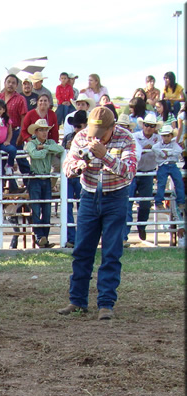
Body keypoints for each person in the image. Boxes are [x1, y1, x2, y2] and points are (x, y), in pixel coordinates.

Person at [58, 107, 137, 320]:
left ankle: (106, 303)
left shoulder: (126, 138)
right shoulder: (82, 137)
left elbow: (130, 171)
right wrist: (77, 167)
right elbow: (67, 166)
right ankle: (77, 300)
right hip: (90, 196)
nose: (96, 137)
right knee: (82, 250)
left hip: (116, 197)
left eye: (101, 133)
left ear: (113, 127)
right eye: (94, 132)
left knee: (111, 252)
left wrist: (106, 157)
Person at [25, 119, 64, 248]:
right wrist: (47, 150)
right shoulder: (31, 143)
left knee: (46, 210)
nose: (44, 132)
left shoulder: (50, 143)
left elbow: (60, 149)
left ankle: (44, 238)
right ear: (36, 132)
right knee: (36, 209)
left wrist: (45, 147)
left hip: (46, 178)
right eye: (41, 130)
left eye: (46, 130)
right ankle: (40, 237)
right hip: (35, 178)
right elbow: (34, 154)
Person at [125, 114, 163, 244]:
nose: (148, 128)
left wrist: (152, 148)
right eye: (147, 125)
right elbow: (136, 151)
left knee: (145, 204)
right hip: (135, 172)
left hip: (148, 173)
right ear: (143, 125)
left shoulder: (159, 139)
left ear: (155, 128)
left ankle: (141, 226)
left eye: (151, 126)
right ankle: (125, 234)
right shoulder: (135, 137)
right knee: (128, 202)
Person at [61, 110, 87, 248]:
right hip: (70, 174)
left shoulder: (89, 139)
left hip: (82, 175)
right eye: (75, 126)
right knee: (68, 206)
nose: (76, 129)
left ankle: (82, 237)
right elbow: (61, 153)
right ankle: (72, 237)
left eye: (79, 126)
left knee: (83, 207)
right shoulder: (68, 138)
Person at [0, 74, 29, 177]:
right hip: (1, 132)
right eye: (8, 82)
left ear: (17, 86)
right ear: (5, 83)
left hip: (15, 131)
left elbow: (24, 117)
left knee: (20, 157)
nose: (10, 84)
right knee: (1, 158)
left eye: (13, 83)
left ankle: (28, 182)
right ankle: (5, 186)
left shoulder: (20, 99)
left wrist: (21, 134)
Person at [152, 125, 185, 212]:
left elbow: (179, 150)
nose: (166, 138)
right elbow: (154, 148)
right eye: (164, 136)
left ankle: (181, 202)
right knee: (161, 184)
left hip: (172, 165)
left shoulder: (174, 144)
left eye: (168, 136)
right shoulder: (158, 145)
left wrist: (168, 153)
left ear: (171, 136)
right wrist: (163, 153)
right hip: (163, 165)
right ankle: (159, 202)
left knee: (179, 183)